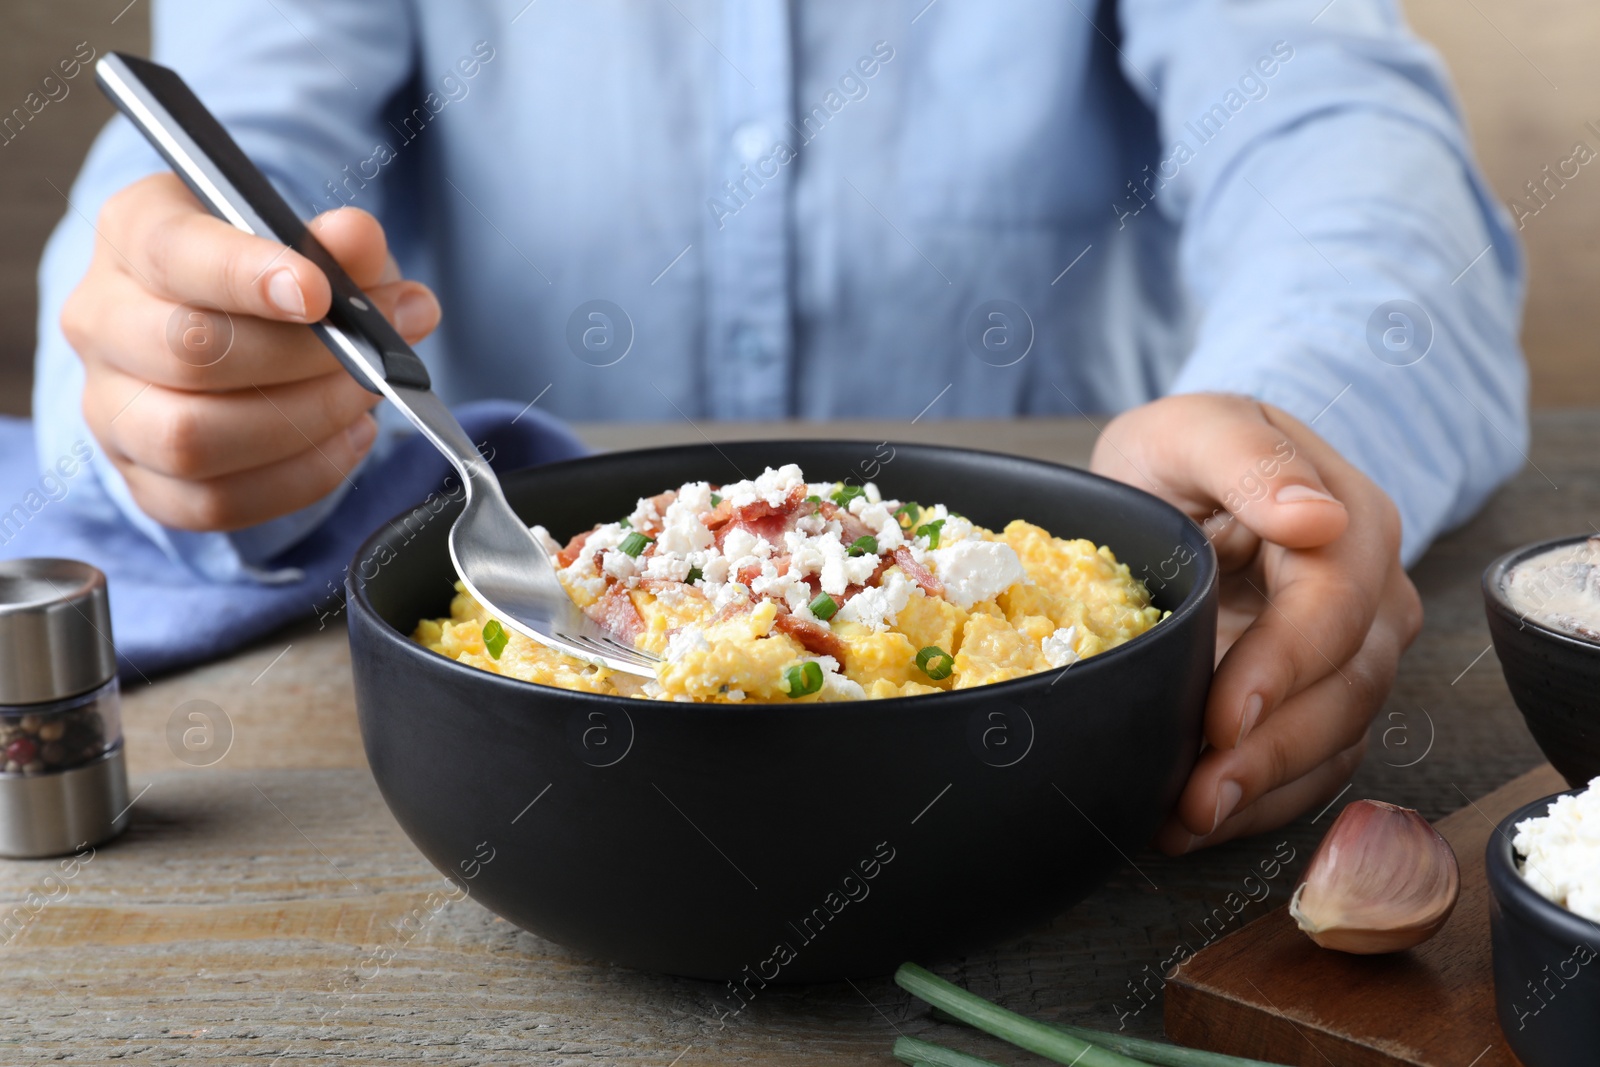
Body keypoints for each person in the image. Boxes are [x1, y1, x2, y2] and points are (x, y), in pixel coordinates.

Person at [35, 1, 1523, 854]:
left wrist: (1291, 419)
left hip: (1057, 669)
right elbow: (212, 153)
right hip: (530, 682)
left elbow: (1341, 137)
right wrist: (182, 354)